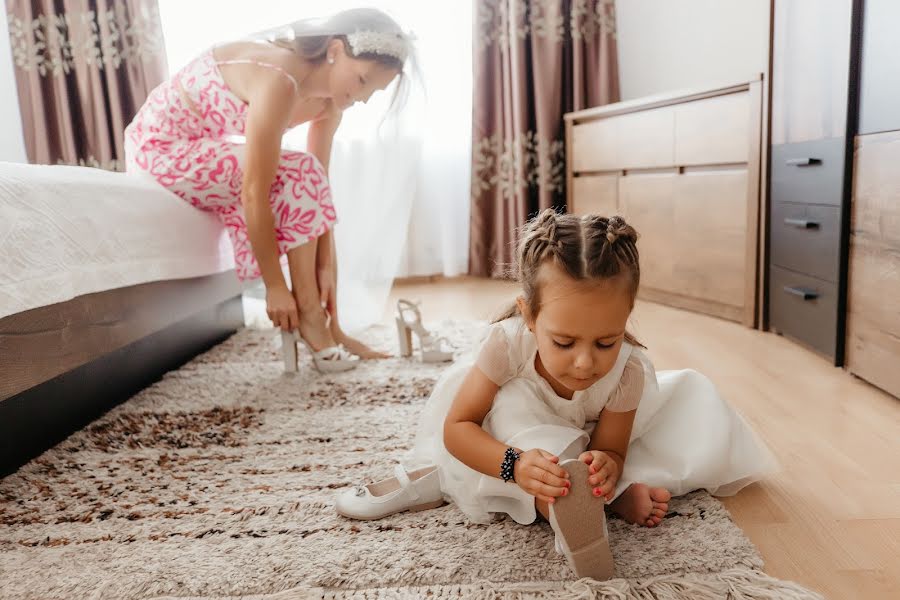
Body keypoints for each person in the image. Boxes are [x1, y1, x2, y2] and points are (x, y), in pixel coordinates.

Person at [336, 209, 775, 578]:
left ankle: (597, 497)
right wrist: (514, 466)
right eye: (564, 342)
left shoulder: (628, 370)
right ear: (529, 315)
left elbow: (611, 447)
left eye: (606, 341)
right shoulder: (506, 346)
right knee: (517, 417)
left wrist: (607, 466)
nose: (586, 363)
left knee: (692, 408)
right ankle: (562, 506)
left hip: (584, 429)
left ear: (628, 315)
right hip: (509, 435)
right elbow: (458, 428)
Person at [125, 8, 415, 371]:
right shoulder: (280, 78)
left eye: (375, 92)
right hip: (159, 150)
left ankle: (322, 324)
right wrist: (275, 287)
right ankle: (308, 314)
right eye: (362, 80)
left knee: (305, 173)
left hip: (203, 147)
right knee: (297, 169)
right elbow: (253, 193)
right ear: (335, 51)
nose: (364, 98)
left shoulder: (328, 105)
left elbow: (317, 196)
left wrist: (329, 280)